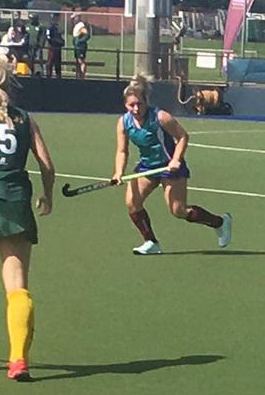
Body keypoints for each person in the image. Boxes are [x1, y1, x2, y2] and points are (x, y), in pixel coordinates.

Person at [113, 76, 232, 255]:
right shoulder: (124, 123)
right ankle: (151, 242)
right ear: (125, 105)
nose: (136, 109)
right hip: (148, 166)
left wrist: (176, 159)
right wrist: (118, 172)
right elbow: (122, 151)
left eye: (140, 104)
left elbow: (183, 136)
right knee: (132, 202)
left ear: (146, 101)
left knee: (178, 210)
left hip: (169, 165)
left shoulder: (160, 117)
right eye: (132, 105)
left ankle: (220, 222)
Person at [0, 58, 54, 381]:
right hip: (13, 201)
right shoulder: (24, 119)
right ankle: (18, 359)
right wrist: (48, 194)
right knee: (16, 286)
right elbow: (47, 164)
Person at [71, 14, 90, 79]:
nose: (73, 20)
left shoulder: (81, 25)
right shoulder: (76, 26)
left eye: (74, 18)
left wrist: (80, 41)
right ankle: (78, 76)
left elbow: (87, 35)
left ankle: (82, 76)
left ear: (78, 18)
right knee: (77, 61)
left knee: (81, 61)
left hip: (80, 47)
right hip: (76, 47)